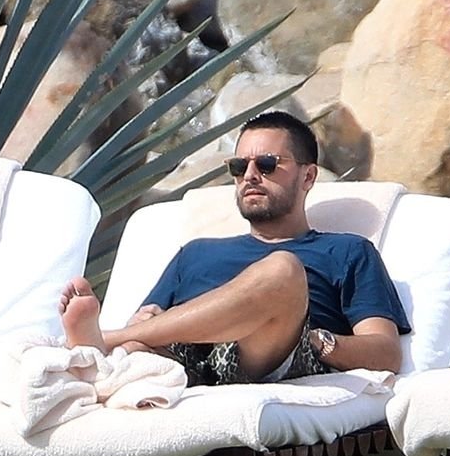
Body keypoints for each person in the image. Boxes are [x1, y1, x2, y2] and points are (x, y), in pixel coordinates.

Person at [59, 110, 409, 384]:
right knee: (138, 347)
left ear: (308, 176)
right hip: (186, 362)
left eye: (267, 164)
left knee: (283, 269)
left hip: (272, 355)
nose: (250, 176)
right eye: (239, 167)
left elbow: (385, 353)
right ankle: (107, 353)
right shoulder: (195, 252)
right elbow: (149, 318)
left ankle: (104, 340)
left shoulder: (347, 251)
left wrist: (321, 341)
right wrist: (142, 325)